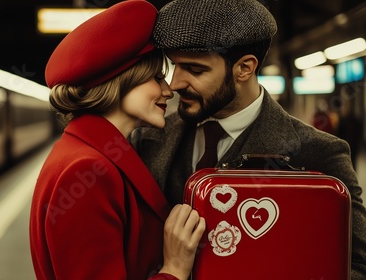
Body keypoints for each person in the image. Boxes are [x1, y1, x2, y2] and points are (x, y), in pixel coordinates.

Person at [130, 0, 366, 278]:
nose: (174, 84)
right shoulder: (148, 137)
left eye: (194, 70)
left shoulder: (319, 152)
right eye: (174, 67)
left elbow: (356, 266)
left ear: (244, 68)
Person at [29, 1, 205, 279]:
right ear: (122, 80)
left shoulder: (86, 152)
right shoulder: (86, 171)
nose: (168, 89)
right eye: (156, 77)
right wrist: (174, 269)